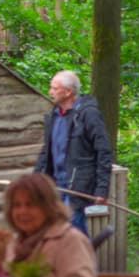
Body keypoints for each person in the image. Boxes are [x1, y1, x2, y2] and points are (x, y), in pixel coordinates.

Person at [34, 69, 113, 235]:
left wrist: (102, 189)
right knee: (57, 232)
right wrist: (35, 178)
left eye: (54, 88)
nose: (50, 92)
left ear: (68, 91)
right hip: (56, 186)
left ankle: (83, 259)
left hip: (77, 186)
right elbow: (46, 151)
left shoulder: (88, 114)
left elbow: (104, 151)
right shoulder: (53, 116)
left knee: (73, 231)